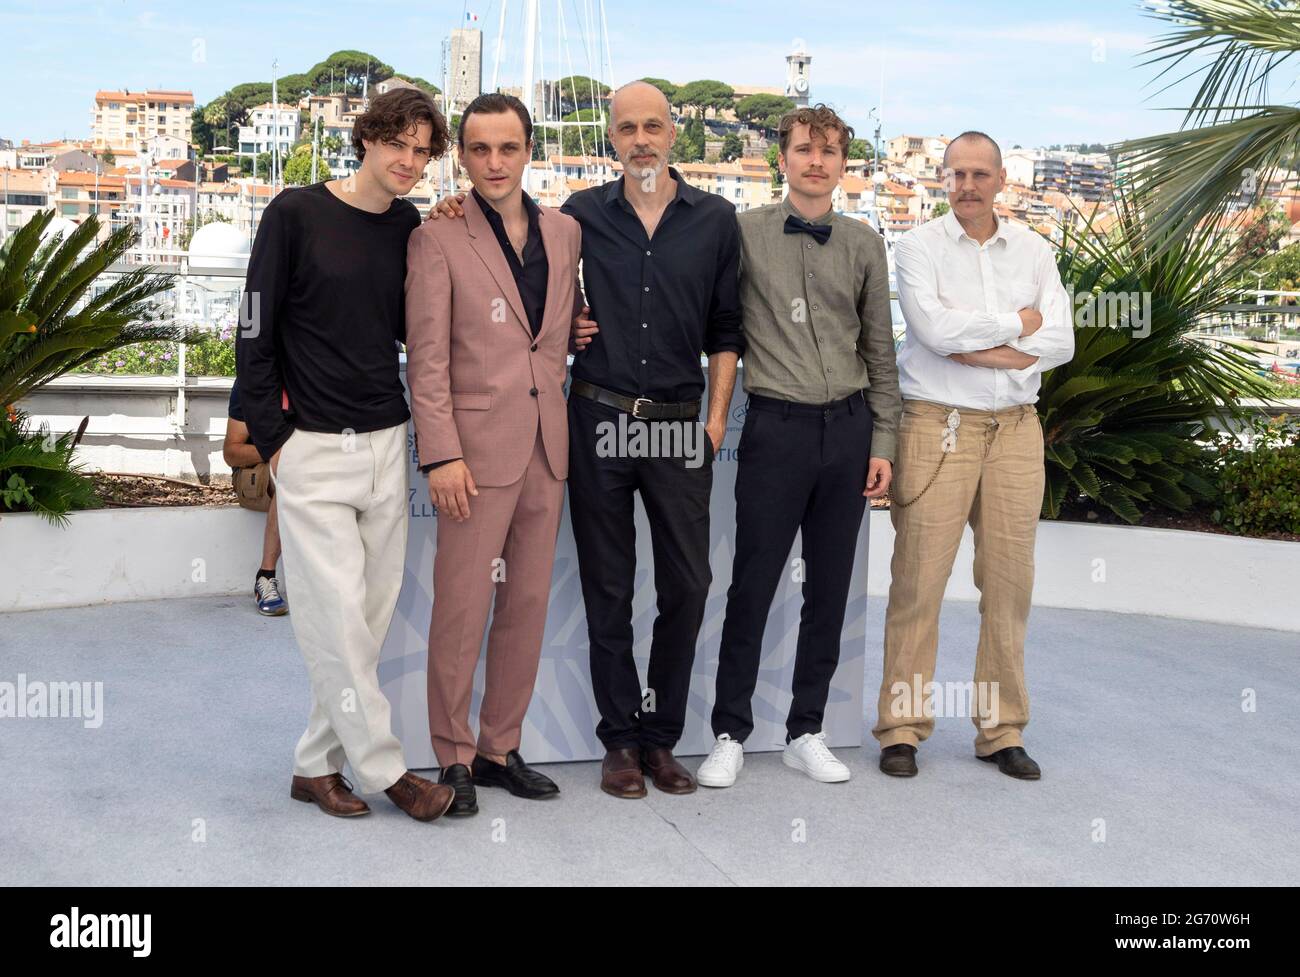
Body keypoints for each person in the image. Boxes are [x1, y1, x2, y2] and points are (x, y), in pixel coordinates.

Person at [429, 81, 743, 800]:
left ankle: (660, 737)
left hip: (676, 423)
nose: (641, 139)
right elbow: (527, 281)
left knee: (687, 585)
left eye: (653, 126)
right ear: (610, 137)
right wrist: (450, 206)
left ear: (673, 134)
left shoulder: (716, 220)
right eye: (627, 127)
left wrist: (717, 420)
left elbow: (728, 330)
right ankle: (620, 742)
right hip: (598, 416)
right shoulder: (578, 217)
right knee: (606, 585)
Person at [235, 87, 456, 821]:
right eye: (399, 143)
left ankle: (311, 766)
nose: (410, 161)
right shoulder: (294, 214)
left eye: (424, 151)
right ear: (367, 138)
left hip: (387, 440)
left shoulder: (410, 226)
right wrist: (276, 439)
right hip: (313, 450)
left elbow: (412, 326)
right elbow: (253, 329)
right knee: (333, 617)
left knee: (360, 621)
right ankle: (389, 773)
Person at [696, 104, 900, 788]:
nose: (817, 161)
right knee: (752, 585)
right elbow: (711, 317)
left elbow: (880, 351)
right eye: (806, 149)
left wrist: (885, 440)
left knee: (830, 589)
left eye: (831, 151)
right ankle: (729, 730)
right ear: (782, 159)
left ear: (845, 165)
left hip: (848, 431)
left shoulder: (866, 242)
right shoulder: (741, 231)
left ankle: (805, 729)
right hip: (775, 428)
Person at [872, 131, 1075, 780]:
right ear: (942, 177)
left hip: (1016, 429)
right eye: (956, 173)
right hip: (938, 423)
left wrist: (976, 340)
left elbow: (1063, 341)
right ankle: (901, 728)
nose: (967, 185)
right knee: (918, 583)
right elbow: (932, 332)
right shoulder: (917, 246)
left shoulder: (1036, 251)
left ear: (1000, 181)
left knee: (1010, 586)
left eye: (979, 174)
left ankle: (1002, 729)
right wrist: (1019, 325)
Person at [405, 93, 582, 816]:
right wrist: (441, 453)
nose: (494, 162)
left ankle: (498, 747)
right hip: (472, 456)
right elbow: (428, 357)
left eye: (508, 148)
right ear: (462, 156)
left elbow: (551, 331)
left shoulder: (566, 232)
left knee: (528, 604)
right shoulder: (437, 235)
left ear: (529, 150)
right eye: (479, 149)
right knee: (462, 608)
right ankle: (451, 756)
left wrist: (580, 335)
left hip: (548, 446)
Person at [222, 377, 287, 616]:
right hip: (253, 475)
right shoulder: (251, 381)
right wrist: (279, 450)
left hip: (303, 467)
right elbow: (231, 452)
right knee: (290, 474)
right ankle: (266, 576)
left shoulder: (316, 374)